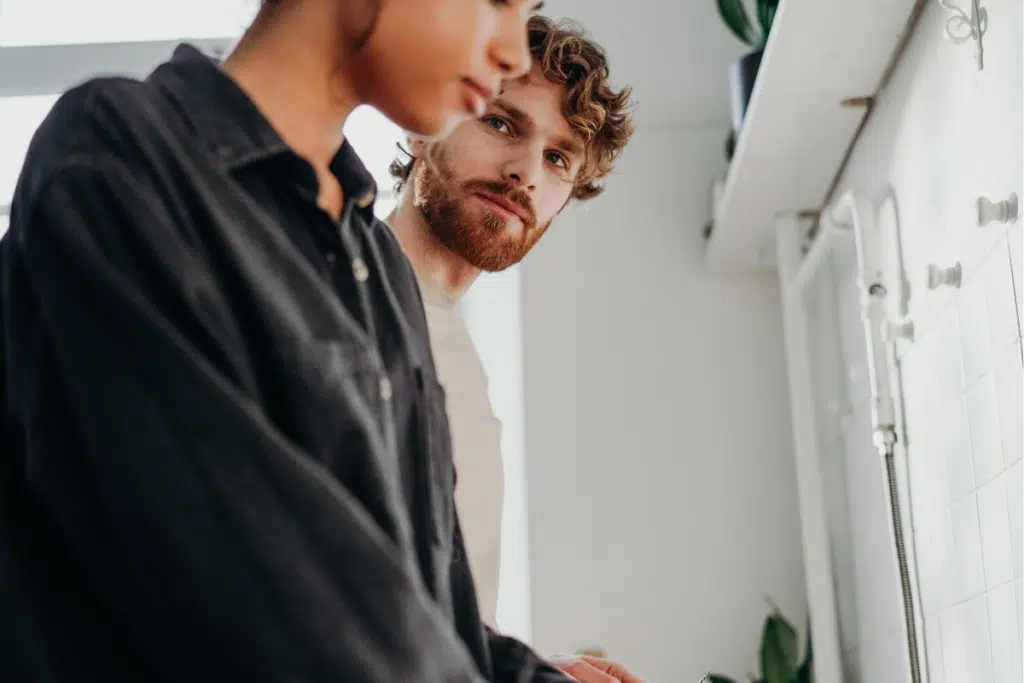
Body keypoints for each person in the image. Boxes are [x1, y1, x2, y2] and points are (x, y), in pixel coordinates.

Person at [0, 1, 582, 682]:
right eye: (499, 2)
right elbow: (270, 598)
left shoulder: (380, 265)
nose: (513, 50)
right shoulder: (116, 157)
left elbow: (435, 605)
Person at [385, 14, 637, 683]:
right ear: (420, 123)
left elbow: (429, 623)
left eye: (559, 160)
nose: (527, 172)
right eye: (503, 123)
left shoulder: (457, 354)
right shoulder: (339, 300)